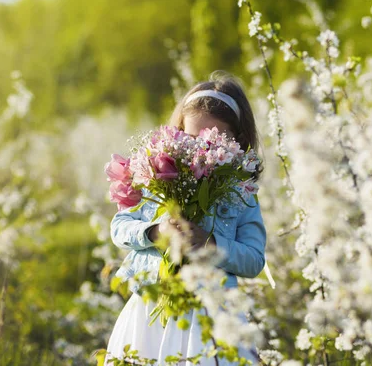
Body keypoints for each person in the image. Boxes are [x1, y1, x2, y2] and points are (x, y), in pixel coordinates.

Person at [104, 71, 271, 365]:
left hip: (214, 316)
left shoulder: (241, 192)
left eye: (213, 141)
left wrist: (211, 245)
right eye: (191, 139)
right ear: (178, 132)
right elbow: (120, 228)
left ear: (236, 141)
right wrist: (156, 232)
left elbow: (254, 259)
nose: (199, 151)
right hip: (151, 308)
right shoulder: (157, 175)